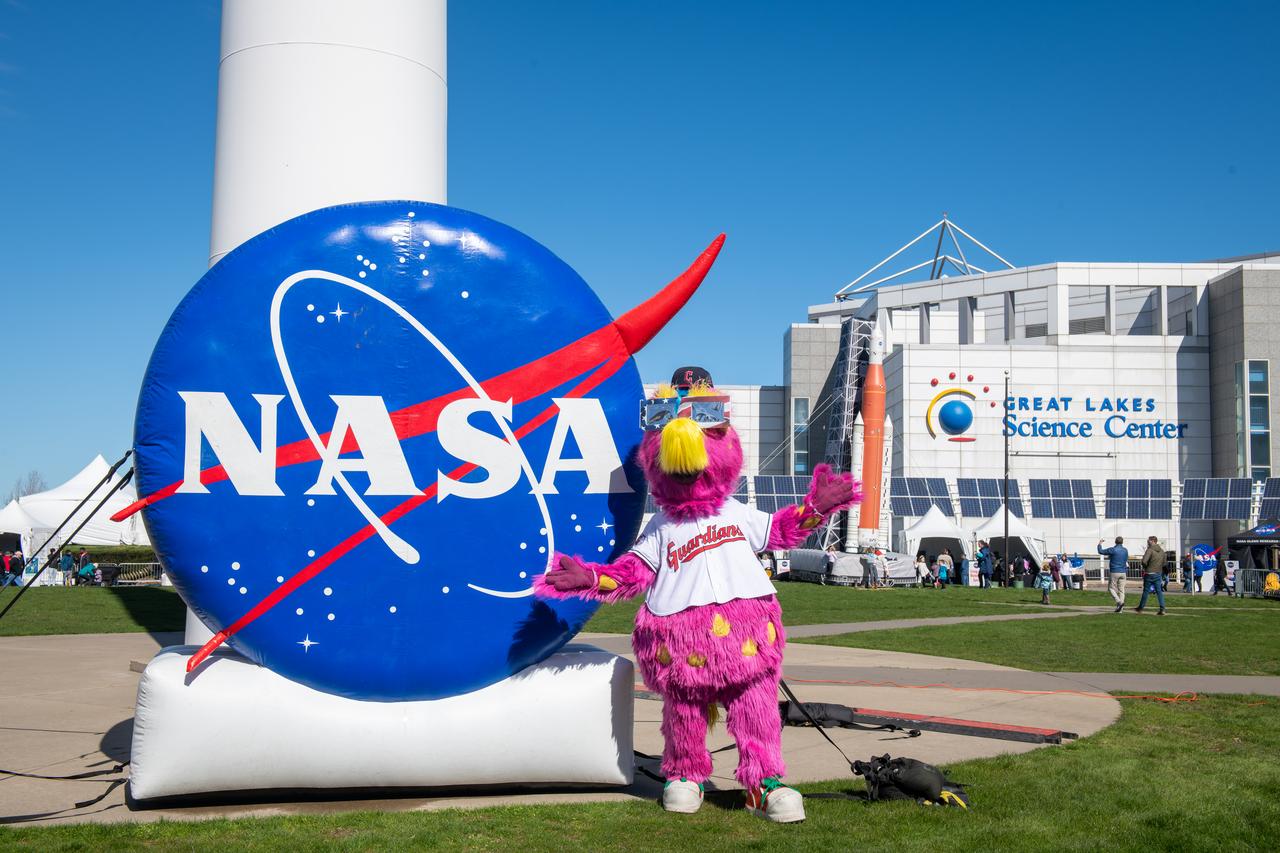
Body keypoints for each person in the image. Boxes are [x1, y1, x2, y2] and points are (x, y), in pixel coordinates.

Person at [1136, 535, 1166, 615]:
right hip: (1158, 573)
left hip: (1149, 573)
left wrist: (1146, 567)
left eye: (1148, 540)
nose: (1147, 542)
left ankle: (1140, 608)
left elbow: (1144, 561)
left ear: (1152, 541)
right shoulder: (1162, 551)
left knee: (1146, 591)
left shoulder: (1149, 550)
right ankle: (1162, 609)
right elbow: (1164, 563)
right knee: (1159, 591)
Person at [1098, 536, 1130, 613]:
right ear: (1122, 542)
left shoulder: (1113, 549)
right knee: (1121, 590)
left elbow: (1101, 551)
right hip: (1123, 572)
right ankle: (1120, 609)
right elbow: (1125, 559)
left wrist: (1100, 543)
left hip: (1115, 571)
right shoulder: (1125, 550)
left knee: (1111, 588)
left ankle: (1119, 602)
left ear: (1115, 542)